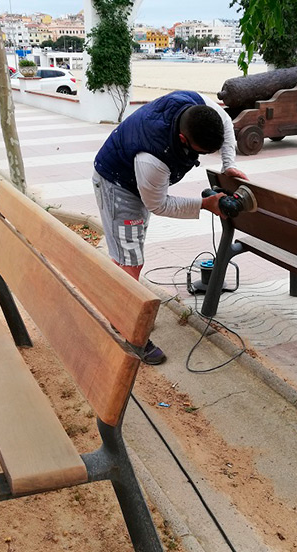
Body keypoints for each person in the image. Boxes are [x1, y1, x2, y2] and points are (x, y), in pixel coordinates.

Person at [92, 90, 248, 365]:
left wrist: (229, 164)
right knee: (130, 262)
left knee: (128, 256)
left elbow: (224, 119)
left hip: (137, 180)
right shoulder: (153, 159)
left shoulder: (196, 103)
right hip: (118, 186)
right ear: (182, 140)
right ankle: (130, 333)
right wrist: (204, 205)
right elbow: (159, 204)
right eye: (202, 152)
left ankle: (123, 312)